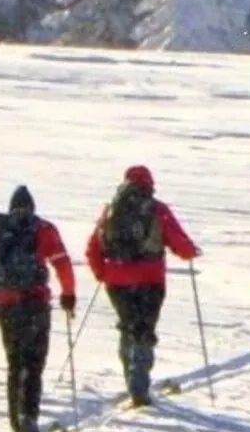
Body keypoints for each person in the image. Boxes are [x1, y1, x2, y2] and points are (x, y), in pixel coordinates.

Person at [82, 165, 201, 406]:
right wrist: (189, 252)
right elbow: (177, 240)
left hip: (117, 281)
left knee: (128, 326)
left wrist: (103, 273)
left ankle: (131, 375)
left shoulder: (111, 210)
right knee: (144, 329)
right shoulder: (156, 209)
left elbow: (93, 248)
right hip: (150, 279)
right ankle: (140, 384)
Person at [0, 185, 77, 432]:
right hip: (35, 305)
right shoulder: (42, 229)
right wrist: (68, 294)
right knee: (34, 363)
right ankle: (28, 416)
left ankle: (16, 422)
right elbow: (62, 262)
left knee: (15, 363)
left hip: (7, 306)